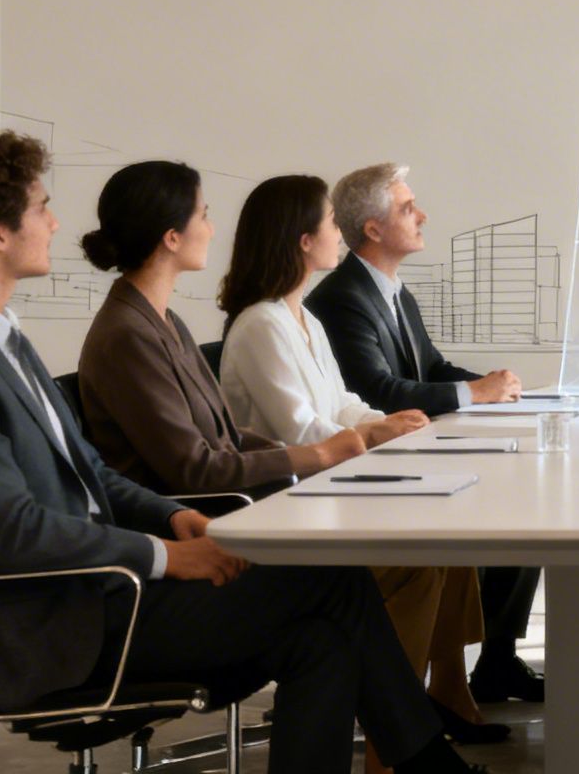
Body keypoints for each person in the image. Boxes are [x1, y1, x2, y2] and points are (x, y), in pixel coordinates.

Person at [0, 132, 479, 774]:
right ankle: (430, 766)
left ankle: (426, 764)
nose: (53, 222)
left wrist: (172, 519)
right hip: (64, 617)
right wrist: (167, 557)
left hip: (101, 587)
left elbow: (91, 475)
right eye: (41, 207)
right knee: (330, 579)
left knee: (321, 638)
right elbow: (12, 534)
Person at [219, 174, 504, 764]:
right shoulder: (262, 324)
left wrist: (387, 419)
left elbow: (341, 404)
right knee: (420, 564)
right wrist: (373, 431)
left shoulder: (300, 317)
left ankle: (437, 700)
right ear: (302, 240)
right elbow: (299, 432)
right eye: (328, 223)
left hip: (330, 491)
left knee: (446, 551)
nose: (338, 234)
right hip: (293, 506)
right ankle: (391, 743)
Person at [307, 163, 542, 704]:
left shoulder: (391, 290)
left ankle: (498, 663)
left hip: (407, 451)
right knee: (511, 513)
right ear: (372, 228)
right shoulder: (343, 298)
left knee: (525, 507)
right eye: (408, 208)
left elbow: (430, 369)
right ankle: (473, 673)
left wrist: (493, 386)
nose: (423, 215)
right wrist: (475, 394)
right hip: (370, 470)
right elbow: (379, 390)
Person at [76, 161, 363, 495]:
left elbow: (227, 438)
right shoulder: (128, 336)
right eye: (203, 216)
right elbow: (196, 470)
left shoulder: (165, 321)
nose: (212, 230)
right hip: (196, 517)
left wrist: (301, 453)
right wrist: (316, 454)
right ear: (172, 237)